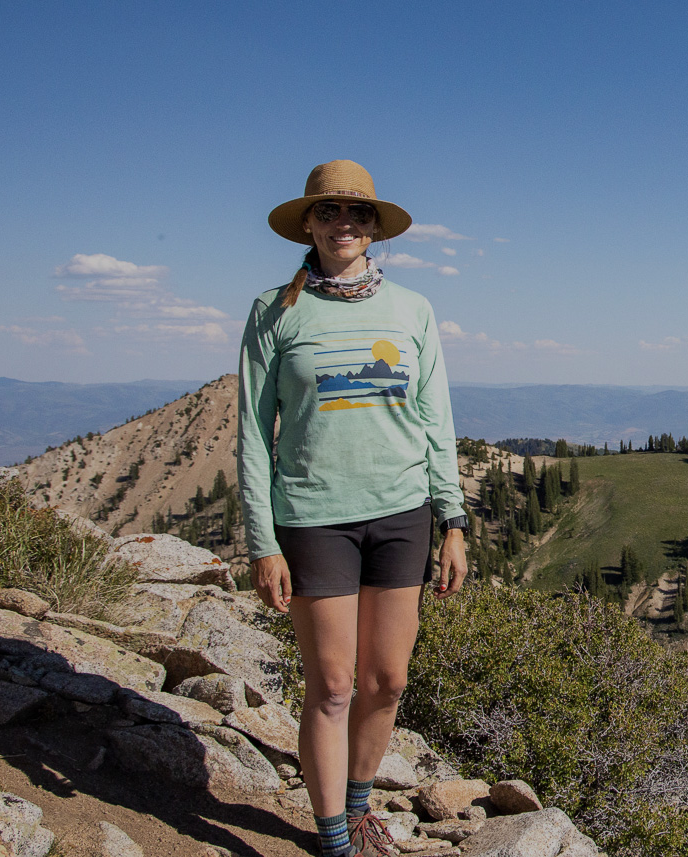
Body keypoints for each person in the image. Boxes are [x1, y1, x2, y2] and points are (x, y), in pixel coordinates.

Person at [237, 160, 469, 857]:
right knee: (334, 683)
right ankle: (335, 837)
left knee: (387, 680)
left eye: (358, 214)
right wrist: (261, 539)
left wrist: (453, 521)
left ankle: (360, 803)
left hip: (403, 513)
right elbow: (252, 429)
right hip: (313, 517)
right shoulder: (274, 310)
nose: (345, 224)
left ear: (375, 230)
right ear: (308, 222)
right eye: (331, 212)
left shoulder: (414, 310)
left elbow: (437, 419)